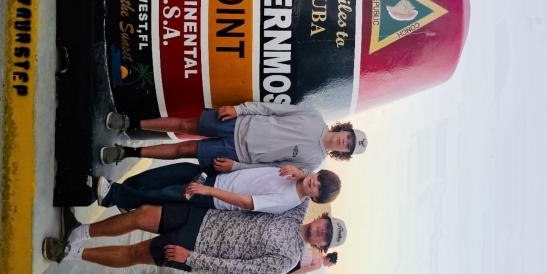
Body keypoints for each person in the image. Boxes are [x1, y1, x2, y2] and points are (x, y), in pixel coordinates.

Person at [41, 200, 349, 274]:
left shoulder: (287, 260)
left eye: (327, 237)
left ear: (321, 247)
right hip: (202, 217)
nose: (322, 231)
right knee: (142, 214)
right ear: (321, 218)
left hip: (194, 248)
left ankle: (69, 253)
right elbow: (309, 182)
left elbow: (236, 271)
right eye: (326, 226)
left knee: (135, 253)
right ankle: (80, 232)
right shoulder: (293, 212)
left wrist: (191, 258)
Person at [100, 103, 368, 171]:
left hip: (237, 154)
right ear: (345, 129)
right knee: (184, 124)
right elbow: (270, 109)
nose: (345, 141)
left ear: (343, 153)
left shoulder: (313, 164)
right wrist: (239, 110)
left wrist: (237, 167)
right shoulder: (313, 115)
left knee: (184, 150)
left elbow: (271, 169)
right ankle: (127, 123)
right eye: (349, 137)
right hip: (238, 123)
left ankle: (126, 152)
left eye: (349, 146)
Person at [92, 161, 341, 212]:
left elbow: (247, 203)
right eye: (318, 178)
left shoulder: (287, 200)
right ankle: (124, 196)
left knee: (164, 194)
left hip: (213, 196)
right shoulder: (297, 174)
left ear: (315, 198)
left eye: (318, 189)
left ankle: (112, 196)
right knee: (166, 174)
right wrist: (302, 173)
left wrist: (208, 191)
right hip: (217, 175)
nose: (314, 182)